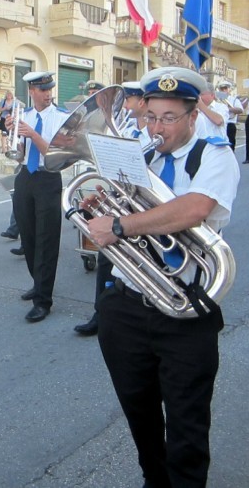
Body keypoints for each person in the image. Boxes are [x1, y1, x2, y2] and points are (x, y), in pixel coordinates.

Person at [86, 67, 240, 488]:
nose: (156, 128)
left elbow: (194, 208)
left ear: (193, 116)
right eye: (150, 116)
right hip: (126, 303)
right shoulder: (137, 151)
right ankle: (154, 480)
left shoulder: (214, 154)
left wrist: (121, 224)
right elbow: (110, 205)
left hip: (184, 308)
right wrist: (96, 203)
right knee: (139, 412)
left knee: (187, 423)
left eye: (168, 118)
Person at [74, 81, 150, 337]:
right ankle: (101, 313)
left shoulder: (156, 135)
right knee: (107, 258)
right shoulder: (127, 127)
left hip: (143, 210)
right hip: (122, 203)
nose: (125, 104)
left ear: (143, 102)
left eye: (129, 99)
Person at [7, 72, 68, 322]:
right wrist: (14, 142)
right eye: (41, 90)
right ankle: (37, 282)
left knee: (47, 239)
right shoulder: (26, 117)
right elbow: (20, 156)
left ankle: (43, 300)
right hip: (25, 177)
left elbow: (57, 156)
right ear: (31, 92)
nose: (47, 94)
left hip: (48, 177)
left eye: (49, 89)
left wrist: (33, 135)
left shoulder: (62, 117)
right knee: (29, 236)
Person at [217, 81, 243, 151]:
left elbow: (240, 110)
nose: (224, 90)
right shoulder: (216, 99)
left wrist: (227, 109)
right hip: (219, 124)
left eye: (226, 88)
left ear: (229, 89)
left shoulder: (234, 99)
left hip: (230, 123)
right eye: (222, 89)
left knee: (230, 146)